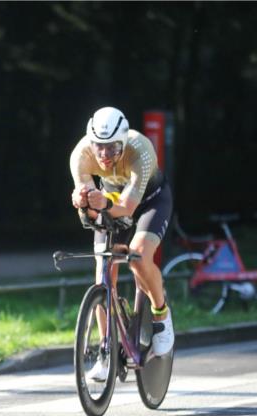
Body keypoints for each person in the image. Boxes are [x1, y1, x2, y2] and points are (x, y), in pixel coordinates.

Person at [69, 106, 175, 381]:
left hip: (150, 202)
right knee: (103, 268)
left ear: (124, 141)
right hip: (111, 201)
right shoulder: (81, 156)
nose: (104, 155)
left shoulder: (141, 150)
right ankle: (106, 350)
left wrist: (102, 203)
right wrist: (84, 204)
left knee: (139, 254)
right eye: (99, 147)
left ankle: (161, 315)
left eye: (113, 148)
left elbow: (127, 207)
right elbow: (93, 211)